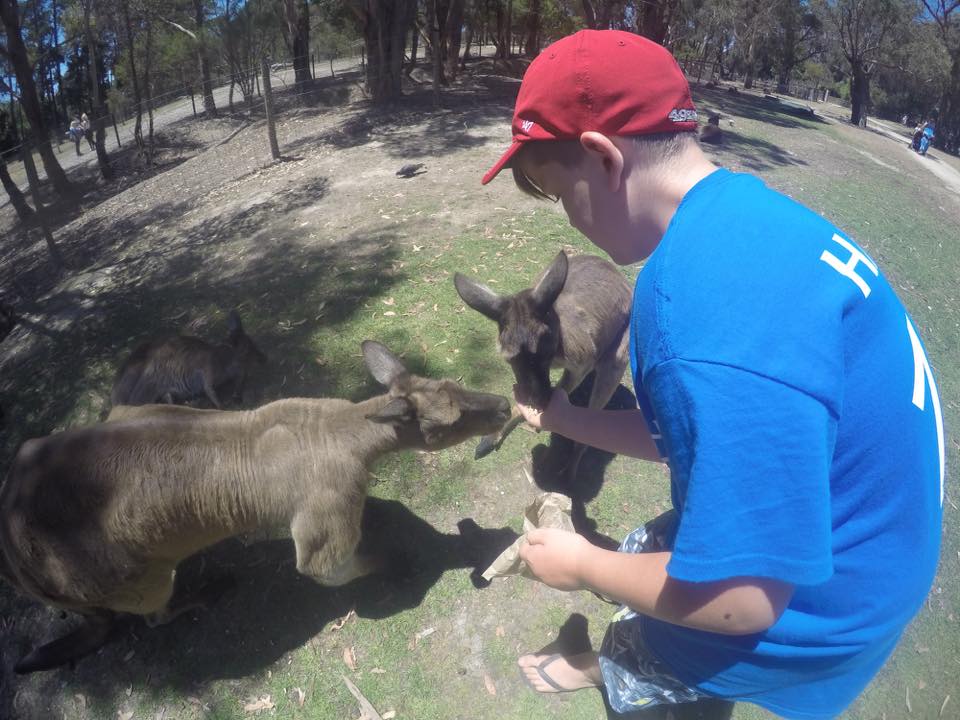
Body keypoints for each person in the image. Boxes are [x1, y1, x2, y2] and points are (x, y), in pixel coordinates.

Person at [480, 30, 944, 719]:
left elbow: (741, 599)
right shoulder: (747, 215)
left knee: (653, 644)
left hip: (828, 602)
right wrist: (561, 418)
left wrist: (579, 566)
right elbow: (689, 428)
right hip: (870, 534)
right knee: (642, 545)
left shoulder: (688, 310)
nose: (571, 223)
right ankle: (618, 634)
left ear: (603, 160)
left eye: (558, 196)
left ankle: (620, 668)